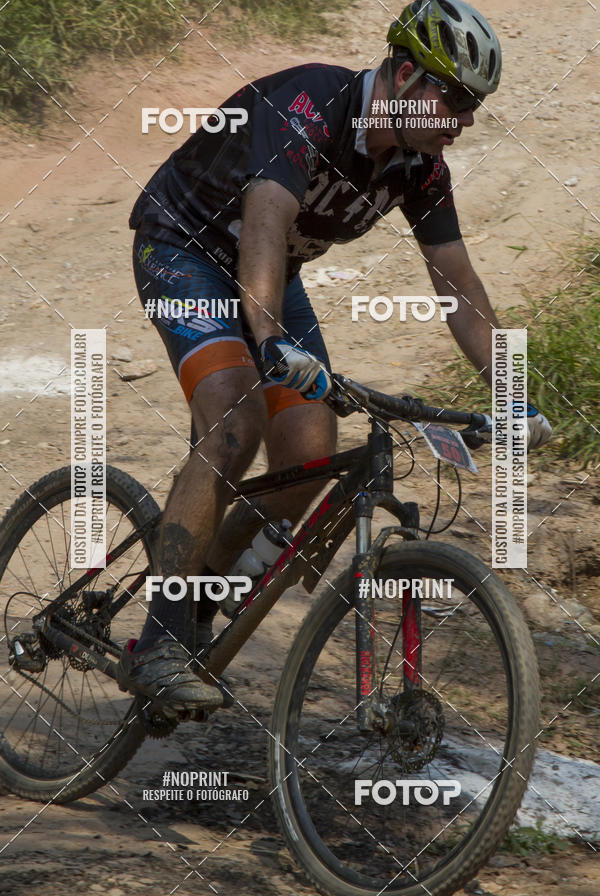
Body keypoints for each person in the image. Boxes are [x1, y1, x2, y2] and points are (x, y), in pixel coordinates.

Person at [117, 0, 551, 713]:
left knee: (312, 451)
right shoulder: (311, 106)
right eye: (458, 97)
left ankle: (201, 596)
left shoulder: (419, 166)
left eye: (476, 104)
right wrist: (268, 339)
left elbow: (456, 280)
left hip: (270, 274)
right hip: (184, 247)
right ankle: (161, 640)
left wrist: (512, 392)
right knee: (233, 417)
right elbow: (265, 223)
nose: (466, 119)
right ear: (407, 75)